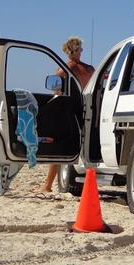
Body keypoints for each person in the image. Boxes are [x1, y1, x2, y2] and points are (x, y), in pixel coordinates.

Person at [40, 36, 95, 192]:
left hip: (69, 110)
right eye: (81, 49)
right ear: (78, 50)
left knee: (59, 147)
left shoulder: (63, 69)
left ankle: (47, 185)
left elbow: (56, 91)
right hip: (88, 109)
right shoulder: (90, 69)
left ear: (67, 51)